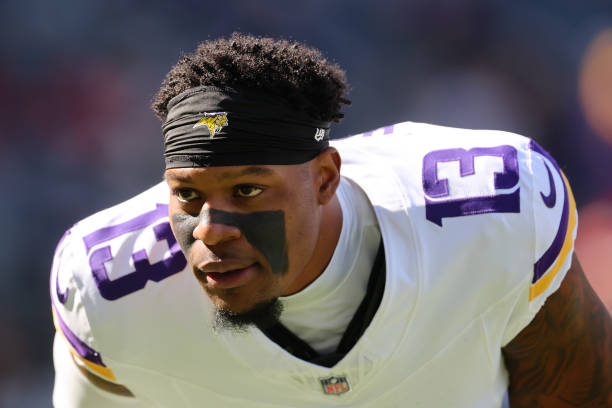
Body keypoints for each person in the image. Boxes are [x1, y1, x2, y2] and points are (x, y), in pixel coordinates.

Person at [50, 33, 612, 407]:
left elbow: (578, 388)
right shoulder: (108, 291)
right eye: (189, 196)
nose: (210, 229)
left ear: (325, 178)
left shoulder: (486, 209)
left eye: (247, 190)